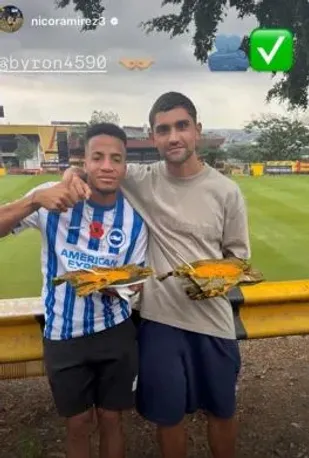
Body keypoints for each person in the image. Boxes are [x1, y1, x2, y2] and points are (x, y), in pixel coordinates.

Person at [64, 92, 250, 458]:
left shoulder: (226, 191)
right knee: (168, 417)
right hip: (159, 323)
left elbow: (239, 259)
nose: (173, 137)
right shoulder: (141, 180)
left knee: (222, 412)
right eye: (163, 130)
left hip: (213, 322)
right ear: (153, 137)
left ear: (197, 130)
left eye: (182, 126)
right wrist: (71, 173)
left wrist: (210, 279)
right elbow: (97, 166)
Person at [0, 123, 148, 458]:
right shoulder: (52, 196)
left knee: (112, 419)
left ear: (125, 166)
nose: (107, 166)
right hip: (63, 335)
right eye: (98, 157)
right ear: (85, 160)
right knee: (78, 423)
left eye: (115, 159)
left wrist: (117, 286)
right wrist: (34, 199)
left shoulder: (134, 220)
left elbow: (135, 281)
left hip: (115, 333)